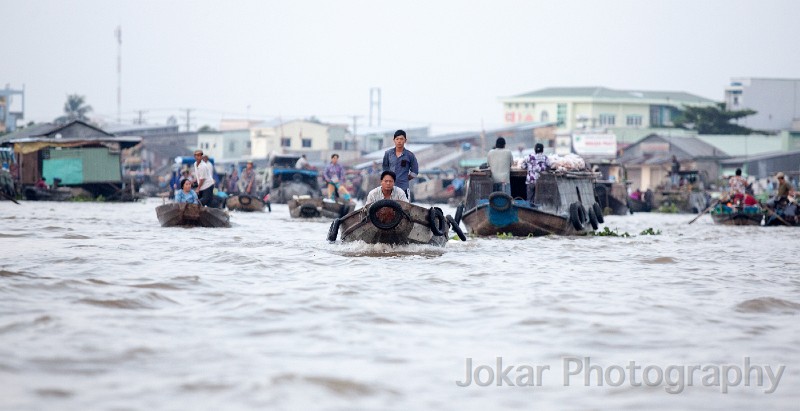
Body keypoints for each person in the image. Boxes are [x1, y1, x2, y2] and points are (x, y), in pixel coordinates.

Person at [382, 129, 419, 199]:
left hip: (403, 188)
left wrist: (405, 178)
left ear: (405, 140)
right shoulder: (388, 154)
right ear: (394, 140)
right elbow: (385, 169)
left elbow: (415, 172)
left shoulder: (410, 155)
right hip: (389, 189)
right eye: (397, 139)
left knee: (405, 208)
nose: (399, 141)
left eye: (401, 139)